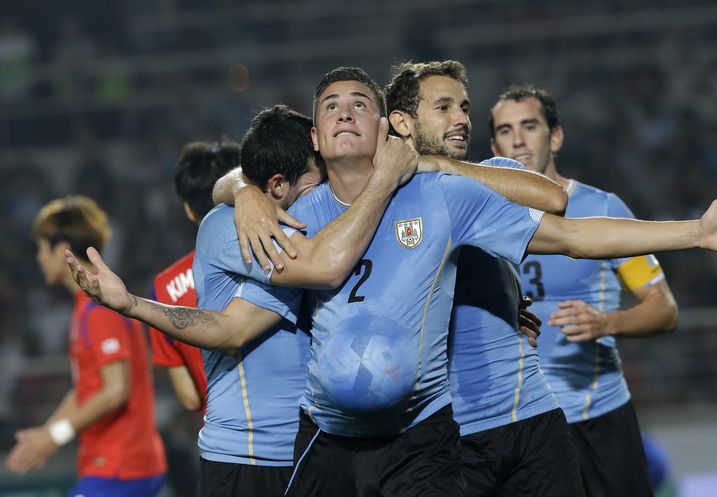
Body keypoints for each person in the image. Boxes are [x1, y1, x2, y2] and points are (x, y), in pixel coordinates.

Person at [70, 67, 717, 497]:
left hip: (423, 432)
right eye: (329, 105)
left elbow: (569, 231)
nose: (345, 112)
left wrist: (693, 231)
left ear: (386, 126)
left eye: (360, 102)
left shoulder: (442, 196)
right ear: (315, 136)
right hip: (327, 438)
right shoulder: (293, 222)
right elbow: (232, 326)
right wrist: (133, 302)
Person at [67, 103, 418, 497]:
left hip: (311, 450)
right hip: (246, 457)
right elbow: (237, 326)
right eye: (315, 184)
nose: (322, 195)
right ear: (279, 185)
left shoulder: (301, 230)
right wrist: (130, 304)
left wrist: (242, 188)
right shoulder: (232, 226)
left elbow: (237, 328)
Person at [385, 60, 584, 496]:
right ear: (402, 122)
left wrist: (442, 167)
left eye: (464, 107)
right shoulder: (378, 201)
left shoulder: (489, 175)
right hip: (445, 433)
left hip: (531, 418)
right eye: (443, 107)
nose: (460, 118)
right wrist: (243, 193)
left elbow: (554, 198)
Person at [489, 84, 681, 497]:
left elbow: (664, 309)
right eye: (505, 130)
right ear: (493, 147)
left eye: (529, 126)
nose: (518, 139)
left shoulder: (602, 209)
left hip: (597, 419)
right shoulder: (479, 218)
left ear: (555, 137)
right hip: (519, 424)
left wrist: (608, 323)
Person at [7, 196, 166, 497]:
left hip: (120, 467)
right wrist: (46, 434)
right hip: (115, 466)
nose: (39, 258)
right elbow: (88, 388)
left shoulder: (100, 309)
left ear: (61, 249)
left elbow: (116, 390)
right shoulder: (89, 305)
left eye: (42, 248)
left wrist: (56, 435)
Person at [149, 141, 240, 413]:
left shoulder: (164, 288)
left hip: (223, 429)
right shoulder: (274, 254)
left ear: (189, 210)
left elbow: (189, 397)